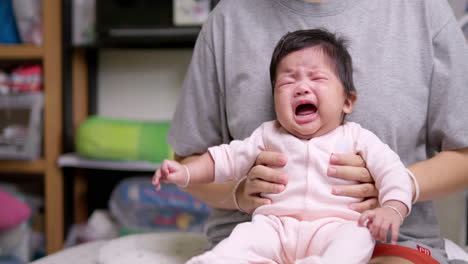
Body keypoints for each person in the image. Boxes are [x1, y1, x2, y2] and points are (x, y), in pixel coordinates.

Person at [167, 1, 468, 263]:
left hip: (385, 239)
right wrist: (238, 194)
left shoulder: (422, 10)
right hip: (265, 235)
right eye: (288, 81)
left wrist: (396, 190)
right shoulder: (227, 21)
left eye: (316, 77)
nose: (302, 87)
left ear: (348, 101)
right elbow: (196, 161)